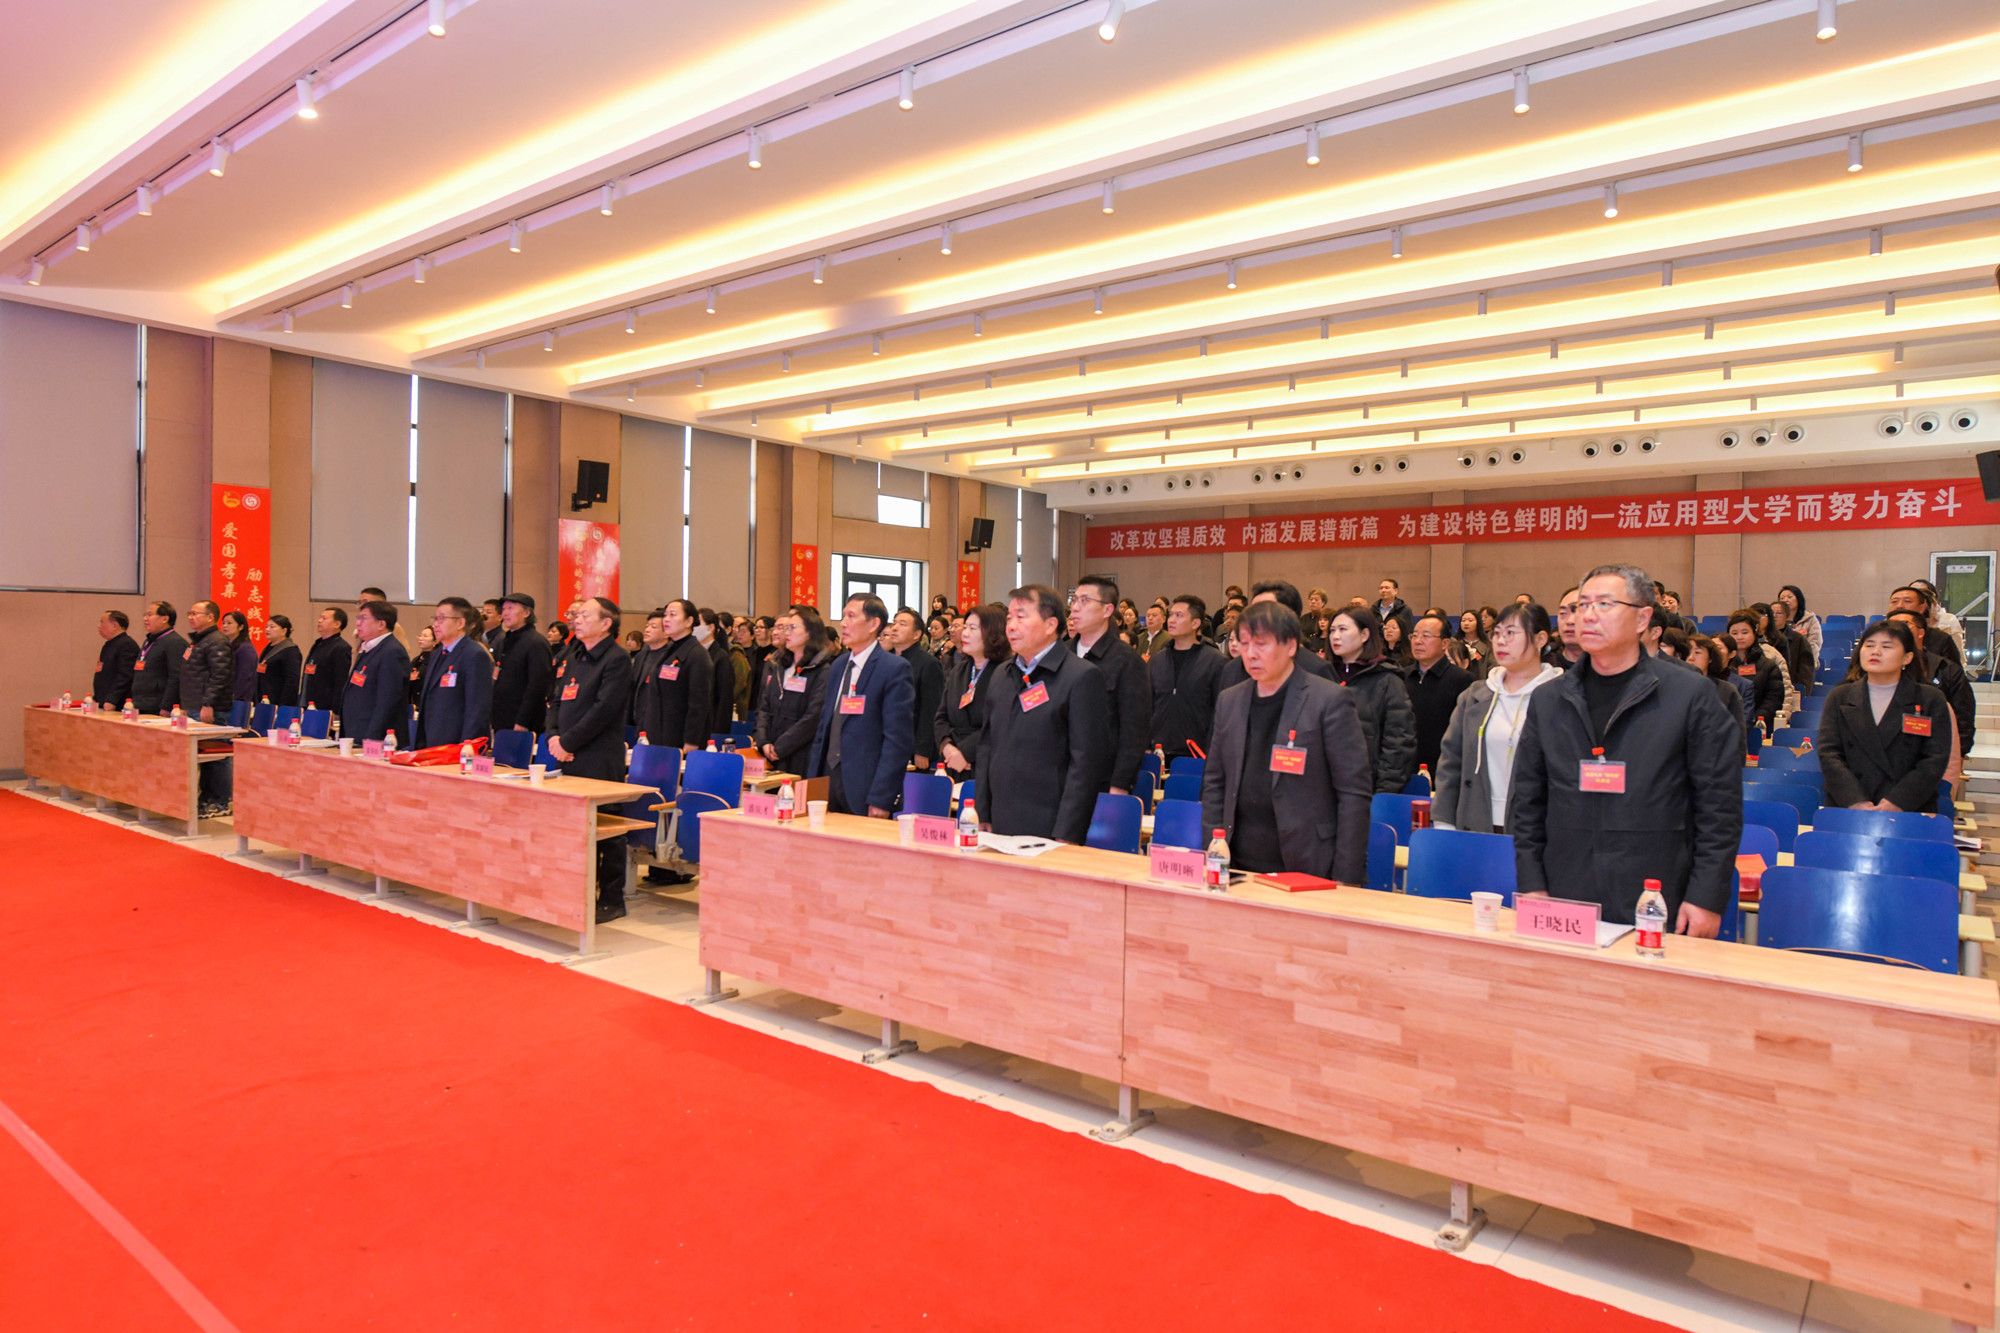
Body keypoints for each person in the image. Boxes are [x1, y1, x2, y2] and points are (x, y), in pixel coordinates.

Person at [1510, 563, 1740, 934]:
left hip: (1656, 894)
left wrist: (1705, 897)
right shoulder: (1549, 699)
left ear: (1642, 619)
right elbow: (1527, 804)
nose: (1587, 616)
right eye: (1581, 605)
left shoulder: (1689, 695)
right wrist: (1532, 883)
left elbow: (1719, 807)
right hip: (1565, 890)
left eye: (1604, 604)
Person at [1199, 602, 1371, 881]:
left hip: (1306, 863)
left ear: (1291, 646)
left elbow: (1353, 793)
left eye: (1261, 644)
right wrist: (1214, 847)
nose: (1250, 654)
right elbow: (1215, 782)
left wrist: (1346, 878)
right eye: (1244, 644)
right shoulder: (1229, 700)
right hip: (1236, 864)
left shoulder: (1328, 700)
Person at [976, 584, 1112, 842]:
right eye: (1009, 618)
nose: (1011, 626)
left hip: (1050, 824)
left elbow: (1086, 764)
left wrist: (1067, 832)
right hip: (999, 819)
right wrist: (982, 811)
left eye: (1021, 617)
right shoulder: (1002, 674)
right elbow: (986, 746)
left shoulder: (1081, 676)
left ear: (1050, 625)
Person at [1433, 603, 1562, 834]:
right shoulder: (1475, 695)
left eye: (1511, 633)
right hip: (1475, 821)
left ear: (1540, 639)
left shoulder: (1561, 697)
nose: (1501, 641)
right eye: (1497, 633)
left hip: (1538, 827)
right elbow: (1451, 761)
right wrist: (1444, 821)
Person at [545, 596, 636, 923]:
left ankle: (611, 899)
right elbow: (557, 699)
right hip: (566, 753)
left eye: (585, 615)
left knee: (606, 826)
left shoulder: (617, 659)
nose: (577, 619)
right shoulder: (575, 654)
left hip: (598, 755)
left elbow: (604, 709)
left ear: (606, 623)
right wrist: (553, 736)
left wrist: (567, 741)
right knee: (572, 825)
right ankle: (575, 891)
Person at [1817, 618, 1952, 813]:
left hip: (1908, 807)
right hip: (1849, 806)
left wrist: (1897, 802)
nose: (1875, 651)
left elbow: (1934, 759)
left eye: (1886, 646)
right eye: (1869, 645)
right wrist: (1855, 801)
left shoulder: (1929, 698)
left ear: (1907, 657)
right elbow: (1829, 754)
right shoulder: (1840, 696)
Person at [805, 594, 915, 817]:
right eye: (843, 616)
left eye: (851, 616)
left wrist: (882, 797)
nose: (843, 623)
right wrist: (811, 782)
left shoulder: (893, 668)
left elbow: (897, 740)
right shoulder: (838, 666)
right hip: (826, 780)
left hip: (865, 787)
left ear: (874, 624)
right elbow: (824, 727)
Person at [1069, 576, 1152, 794]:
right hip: (1057, 777)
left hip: (1101, 781)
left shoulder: (1127, 661)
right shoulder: (1061, 655)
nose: (1075, 607)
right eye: (1074, 600)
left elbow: (1134, 730)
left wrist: (1120, 783)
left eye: (1084, 601)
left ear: (1107, 610)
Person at [1324, 606, 1417, 794]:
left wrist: (1383, 792)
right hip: (1323, 789)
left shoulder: (1387, 680)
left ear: (1364, 634)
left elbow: (1399, 743)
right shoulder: (1323, 676)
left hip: (1367, 789)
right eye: (1332, 630)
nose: (1335, 636)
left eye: (1343, 629)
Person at [1885, 609, 1975, 764]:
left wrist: (1959, 755)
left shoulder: (1945, 669)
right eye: (1889, 625)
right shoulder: (1875, 670)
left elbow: (1963, 718)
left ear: (1921, 633)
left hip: (1934, 758)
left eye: (1904, 624)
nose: (1895, 629)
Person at [755, 608, 834, 776]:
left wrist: (780, 747)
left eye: (792, 628)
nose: (787, 633)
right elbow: (764, 707)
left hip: (801, 755)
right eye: (786, 628)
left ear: (810, 633)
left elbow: (813, 717)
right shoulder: (779, 666)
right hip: (770, 752)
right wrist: (763, 741)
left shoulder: (821, 671)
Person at [1147, 594, 1226, 760]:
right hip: (1158, 752)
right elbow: (1147, 705)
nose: (1171, 620)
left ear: (1195, 623)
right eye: (1171, 615)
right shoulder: (1157, 660)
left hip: (1197, 754)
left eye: (1179, 615)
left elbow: (1220, 711)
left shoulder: (1215, 661)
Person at [1218, 582, 1335, 690]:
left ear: (1289, 616)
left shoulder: (1317, 669)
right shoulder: (1232, 669)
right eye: (1253, 610)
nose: (1254, 617)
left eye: (1263, 610)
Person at [413, 597, 494, 748]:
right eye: (435, 618)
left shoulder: (474, 655)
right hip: (431, 740)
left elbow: (477, 708)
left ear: (460, 623)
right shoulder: (436, 654)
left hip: (457, 744)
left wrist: (467, 746)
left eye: (442, 618)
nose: (435, 624)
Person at [635, 599, 714, 752]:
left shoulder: (697, 655)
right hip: (658, 733)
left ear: (689, 621)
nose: (666, 619)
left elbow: (699, 703)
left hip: (680, 738)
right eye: (665, 615)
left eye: (672, 615)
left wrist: (692, 740)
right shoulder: (669, 650)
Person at [937, 603, 1003, 782]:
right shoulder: (959, 670)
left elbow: (998, 724)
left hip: (987, 764)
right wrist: (947, 747)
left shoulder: (1005, 672)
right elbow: (940, 716)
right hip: (952, 763)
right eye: (965, 627)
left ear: (992, 634)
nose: (964, 633)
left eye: (972, 628)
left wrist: (964, 752)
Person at [1404, 613, 1473, 774]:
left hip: (1444, 768)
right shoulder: (1402, 676)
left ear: (1445, 643)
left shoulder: (1462, 679)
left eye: (1426, 636)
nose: (1418, 641)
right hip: (1404, 768)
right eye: (1414, 635)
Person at [1660, 628, 1747, 752]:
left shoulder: (1727, 691)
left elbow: (1737, 738)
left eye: (1697, 652)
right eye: (1687, 653)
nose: (1690, 658)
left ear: (1710, 658)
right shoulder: (1670, 688)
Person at [340, 600, 412, 743]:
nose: (357, 623)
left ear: (381, 624)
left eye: (363, 618)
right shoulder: (368, 649)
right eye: (358, 618)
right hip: (357, 730)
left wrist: (372, 738)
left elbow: (388, 701)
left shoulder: (392, 652)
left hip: (377, 737)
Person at [883, 608, 945, 772]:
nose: (895, 628)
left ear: (916, 634)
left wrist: (922, 749)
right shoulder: (885, 661)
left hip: (911, 744)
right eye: (894, 623)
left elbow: (930, 710)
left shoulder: (928, 663)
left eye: (902, 624)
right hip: (885, 741)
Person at [491, 594, 553, 734]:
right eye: (504, 609)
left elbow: (538, 686)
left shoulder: (536, 643)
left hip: (522, 721)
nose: (505, 613)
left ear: (526, 613)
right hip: (502, 717)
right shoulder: (505, 640)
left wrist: (523, 720)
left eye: (511, 608)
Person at [1723, 610, 1784, 732]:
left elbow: (1773, 699)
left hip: (1759, 726)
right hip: (1727, 726)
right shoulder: (1722, 665)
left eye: (1745, 632)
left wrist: (1754, 719)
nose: (1739, 637)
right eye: (1734, 633)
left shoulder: (1768, 665)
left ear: (1754, 633)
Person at [178, 600, 234, 724]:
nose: (190, 617)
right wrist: (185, 705)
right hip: (193, 705)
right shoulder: (198, 640)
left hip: (210, 708)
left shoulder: (218, 641)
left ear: (210, 617)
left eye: (194, 614)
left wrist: (208, 704)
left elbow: (220, 676)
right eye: (189, 614)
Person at [131, 601, 186, 716]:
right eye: (145, 615)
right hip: (141, 703)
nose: (145, 618)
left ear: (165, 619)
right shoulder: (149, 641)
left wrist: (167, 706)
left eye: (150, 615)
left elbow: (176, 677)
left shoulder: (175, 642)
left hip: (158, 707)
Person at [1889, 585, 1963, 669]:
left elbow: (1953, 672)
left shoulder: (1940, 638)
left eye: (1907, 601)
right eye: (1894, 601)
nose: (1899, 606)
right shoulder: (1880, 634)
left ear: (1922, 607)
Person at [301, 606, 352, 715]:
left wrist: (334, 711)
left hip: (325, 706)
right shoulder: (318, 643)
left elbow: (340, 682)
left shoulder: (341, 647)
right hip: (309, 702)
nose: (319, 621)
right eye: (320, 617)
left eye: (324, 618)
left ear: (337, 624)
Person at [92, 609, 138, 710]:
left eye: (102, 622)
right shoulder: (109, 644)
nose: (98, 626)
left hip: (117, 704)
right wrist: (96, 698)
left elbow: (125, 676)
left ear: (114, 625)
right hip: (104, 701)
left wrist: (112, 700)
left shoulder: (127, 645)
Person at [1909, 579, 1966, 657]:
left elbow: (1958, 655)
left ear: (1933, 598)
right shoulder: (1902, 619)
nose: (1918, 596)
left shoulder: (1948, 620)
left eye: (1923, 593)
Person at [256, 614, 303, 708]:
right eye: (266, 627)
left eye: (272, 627)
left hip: (278, 702)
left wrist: (283, 705)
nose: (267, 629)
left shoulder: (291, 650)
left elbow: (292, 681)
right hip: (264, 700)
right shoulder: (268, 647)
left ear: (284, 631)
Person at [1774, 584, 1820, 667]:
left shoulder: (1810, 619)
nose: (1785, 600)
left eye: (1789, 597)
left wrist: (1805, 662)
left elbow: (1815, 643)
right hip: (1780, 663)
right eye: (1782, 598)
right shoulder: (1776, 620)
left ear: (1799, 599)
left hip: (1805, 662)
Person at [219, 610, 258, 706]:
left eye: (229, 623)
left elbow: (245, 678)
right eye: (223, 623)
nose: (225, 626)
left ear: (241, 627)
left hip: (238, 701)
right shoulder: (227, 645)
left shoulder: (245, 648)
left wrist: (235, 699)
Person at [1547, 587, 1586, 671]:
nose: (1569, 621)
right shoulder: (1545, 664)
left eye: (1578, 613)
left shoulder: (1610, 666)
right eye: (1563, 613)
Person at [408, 625, 437, 713]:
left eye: (425, 636)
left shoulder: (436, 661)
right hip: (414, 705)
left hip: (428, 706)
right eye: (420, 635)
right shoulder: (416, 660)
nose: (420, 638)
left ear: (435, 641)